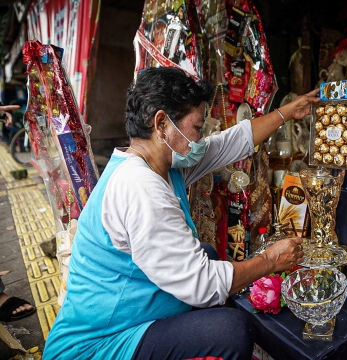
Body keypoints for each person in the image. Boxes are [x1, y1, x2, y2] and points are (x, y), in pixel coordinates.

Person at [43, 67, 319, 360]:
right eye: (198, 128)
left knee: (207, 253)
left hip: (130, 315)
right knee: (231, 330)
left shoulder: (161, 164)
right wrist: (270, 261)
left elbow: (231, 142)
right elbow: (202, 285)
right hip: (98, 344)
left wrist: (289, 111)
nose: (201, 139)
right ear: (161, 123)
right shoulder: (140, 187)